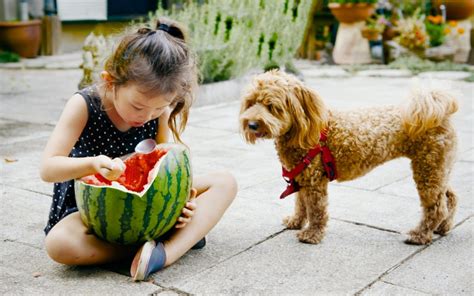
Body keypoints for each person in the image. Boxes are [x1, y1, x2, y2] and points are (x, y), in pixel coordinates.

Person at [39, 17, 237, 281]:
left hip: (148, 205)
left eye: (158, 108)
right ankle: (164, 244)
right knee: (59, 245)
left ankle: (166, 253)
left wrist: (183, 198)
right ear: (110, 82)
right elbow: (48, 168)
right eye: (138, 106)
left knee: (226, 182)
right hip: (90, 213)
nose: (147, 116)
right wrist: (93, 164)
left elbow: (166, 166)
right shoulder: (83, 105)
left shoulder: (159, 112)